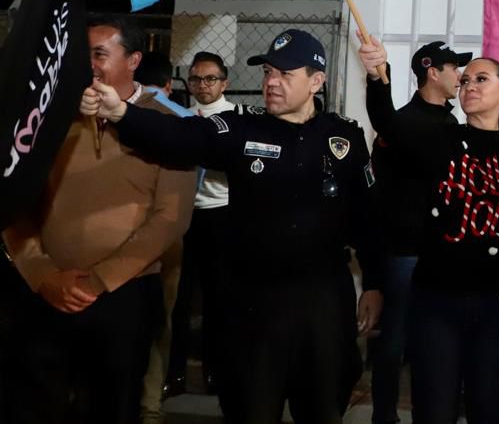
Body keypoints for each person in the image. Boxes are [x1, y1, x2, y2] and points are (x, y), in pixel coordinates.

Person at [80, 28, 385, 424]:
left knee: (324, 408)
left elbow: (367, 216)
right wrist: (122, 113)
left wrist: (373, 282)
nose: (271, 82)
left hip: (324, 300)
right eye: (268, 72)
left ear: (316, 81)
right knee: (251, 407)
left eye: (285, 74)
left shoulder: (343, 136)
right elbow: (179, 135)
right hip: (255, 301)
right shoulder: (242, 129)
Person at [3, 16, 197, 424]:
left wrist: (99, 281)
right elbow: (13, 203)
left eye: (99, 53)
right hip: (46, 294)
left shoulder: (169, 126)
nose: (87, 63)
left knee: (112, 407)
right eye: (81, 53)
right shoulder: (42, 119)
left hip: (124, 297)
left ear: (133, 61)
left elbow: (170, 218)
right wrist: (41, 274)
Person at [360, 41, 499, 424]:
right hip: (437, 301)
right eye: (465, 81)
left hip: (498, 307)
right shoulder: (439, 139)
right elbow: (387, 122)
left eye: (481, 79)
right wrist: (378, 76)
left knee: (489, 409)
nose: (469, 85)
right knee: (434, 409)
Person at [369, 40, 471, 424]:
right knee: (395, 340)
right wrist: (378, 77)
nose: (460, 76)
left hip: (443, 250)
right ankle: (384, 415)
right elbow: (384, 119)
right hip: (408, 251)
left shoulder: (451, 123)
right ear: (433, 72)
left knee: (434, 341)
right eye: (454, 68)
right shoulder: (405, 122)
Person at [166, 51, 240, 399]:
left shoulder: (236, 119)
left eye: (211, 78)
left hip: (221, 215)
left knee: (218, 298)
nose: (203, 85)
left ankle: (216, 373)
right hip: (184, 215)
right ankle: (175, 373)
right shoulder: (182, 116)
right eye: (196, 78)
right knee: (179, 298)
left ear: (224, 83)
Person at [134, 51, 196, 424]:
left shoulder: (117, 113)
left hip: (124, 231)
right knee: (162, 320)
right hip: (169, 233)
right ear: (169, 84)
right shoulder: (184, 120)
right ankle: (150, 405)